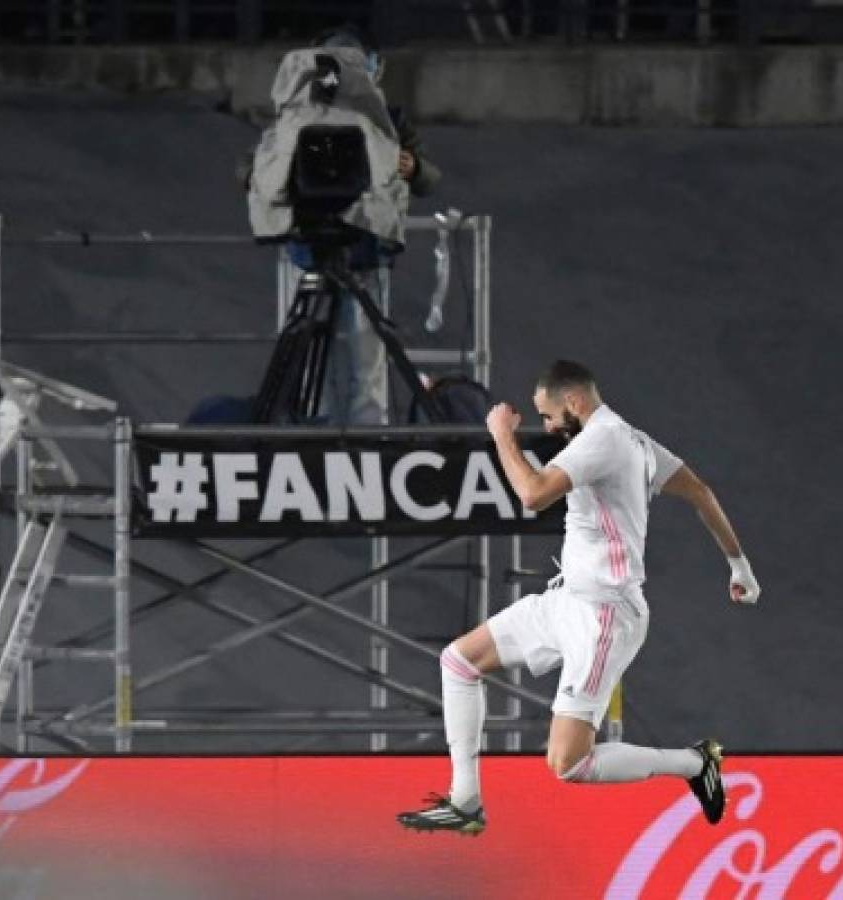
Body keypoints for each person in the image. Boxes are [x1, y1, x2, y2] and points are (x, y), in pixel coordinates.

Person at [397, 359, 761, 835]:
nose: (547, 426)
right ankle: (465, 801)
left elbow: (531, 496)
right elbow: (701, 491)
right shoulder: (632, 441)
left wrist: (501, 436)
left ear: (574, 401)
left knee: (568, 763)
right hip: (566, 600)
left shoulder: (604, 439)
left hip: (604, 614)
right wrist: (739, 565)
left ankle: (694, 763)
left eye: (548, 415)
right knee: (459, 661)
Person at [239, 25, 441, 425]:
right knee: (314, 348)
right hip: (308, 253)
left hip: (366, 251)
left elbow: (429, 178)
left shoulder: (388, 121)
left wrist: (412, 166)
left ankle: (369, 430)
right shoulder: (295, 118)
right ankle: (318, 425)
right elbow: (250, 168)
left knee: (368, 351)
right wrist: (270, 171)